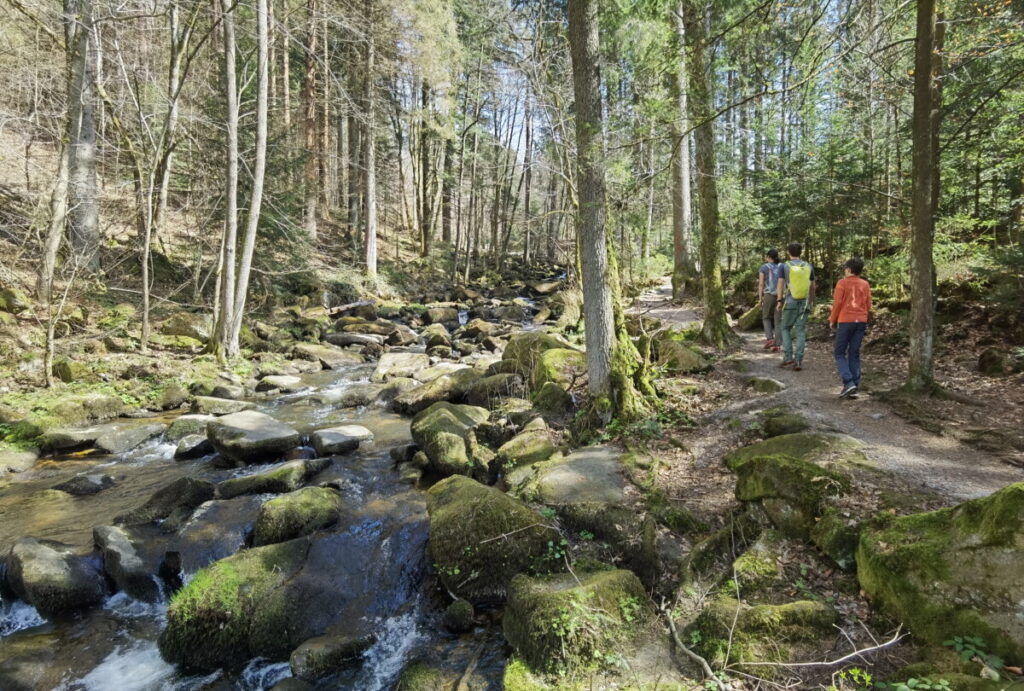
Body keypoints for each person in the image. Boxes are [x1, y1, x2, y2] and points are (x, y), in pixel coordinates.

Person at [829, 257, 871, 398]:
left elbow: (837, 303)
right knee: (854, 352)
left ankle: (848, 382)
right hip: (861, 321)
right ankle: (854, 385)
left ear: (848, 269)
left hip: (846, 320)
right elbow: (868, 304)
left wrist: (832, 320)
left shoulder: (842, 283)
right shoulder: (865, 284)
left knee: (839, 352)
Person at [775, 242, 815, 371]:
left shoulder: (784, 266)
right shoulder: (808, 266)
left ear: (788, 252)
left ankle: (788, 357)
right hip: (804, 303)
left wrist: (779, 300)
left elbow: (780, 284)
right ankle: (798, 360)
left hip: (790, 301)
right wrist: (811, 302)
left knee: (785, 328)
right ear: (801, 253)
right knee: (800, 331)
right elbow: (813, 286)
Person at [757, 249, 782, 352]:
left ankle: (770, 339)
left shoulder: (764, 267)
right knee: (778, 320)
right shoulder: (782, 266)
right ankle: (777, 344)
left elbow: (761, 283)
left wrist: (760, 298)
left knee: (766, 316)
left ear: (768, 257)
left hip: (769, 295)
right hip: (781, 296)